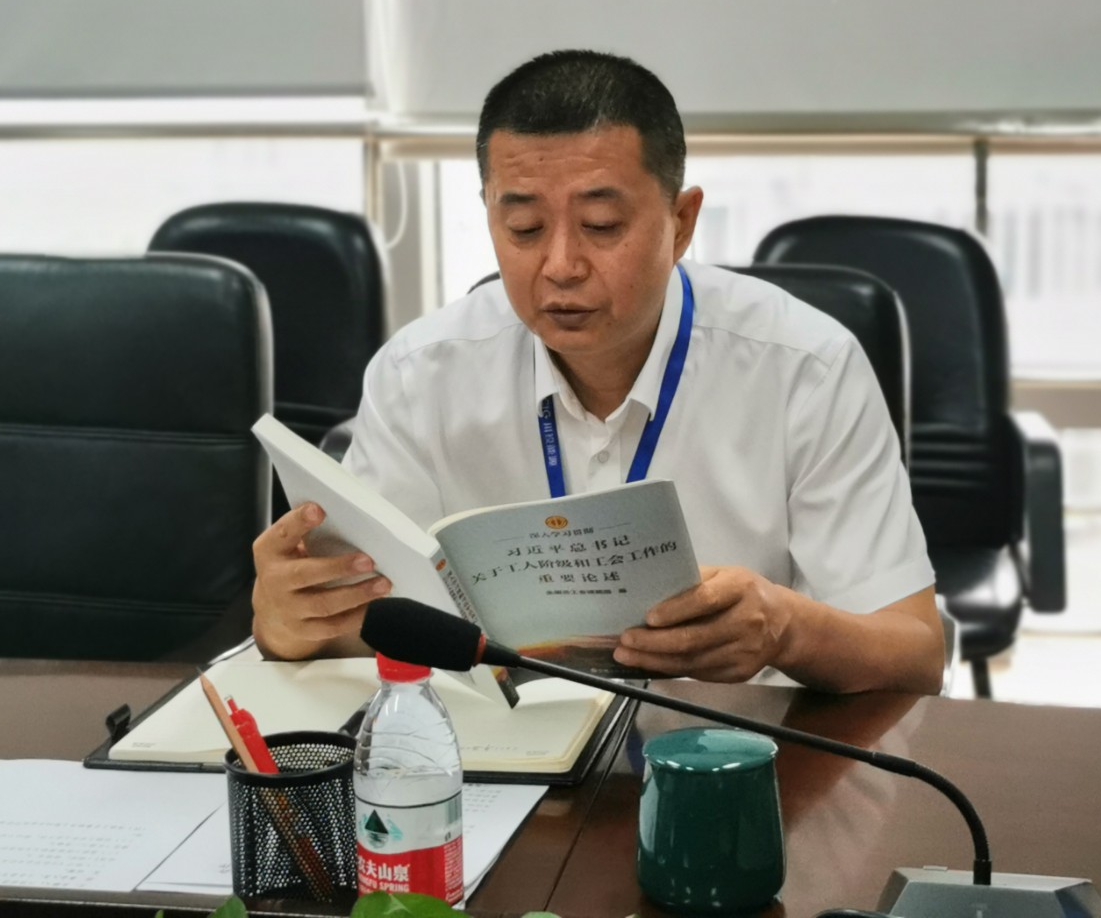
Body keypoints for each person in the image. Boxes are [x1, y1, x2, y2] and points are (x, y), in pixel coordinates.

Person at [252, 50, 944, 694]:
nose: (560, 265)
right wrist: (288, 626)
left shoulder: (805, 369)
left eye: (603, 224)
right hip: (501, 754)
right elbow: (368, 624)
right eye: (524, 230)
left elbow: (915, 654)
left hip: (743, 748)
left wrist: (785, 629)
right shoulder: (418, 376)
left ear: (681, 221)